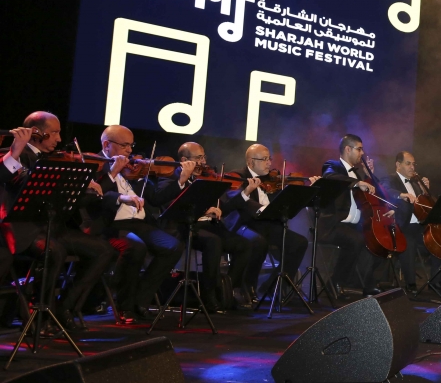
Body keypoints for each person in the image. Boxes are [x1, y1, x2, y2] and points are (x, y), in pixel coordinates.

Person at [0, 113, 116, 331]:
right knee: (55, 252)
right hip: (23, 228)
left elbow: (65, 200)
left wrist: (84, 187)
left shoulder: (53, 159)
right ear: (37, 133)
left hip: (51, 226)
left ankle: (65, 307)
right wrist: (15, 150)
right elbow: (6, 177)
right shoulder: (15, 154)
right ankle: (38, 315)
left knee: (103, 250)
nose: (59, 139)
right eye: (54, 132)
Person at [96, 125, 185, 323]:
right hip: (113, 225)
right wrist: (113, 172)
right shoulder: (96, 165)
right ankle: (124, 305)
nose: (130, 150)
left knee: (173, 246)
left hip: (138, 223)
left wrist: (180, 180)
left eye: (131, 145)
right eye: (125, 145)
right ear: (107, 145)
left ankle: (140, 300)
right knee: (136, 247)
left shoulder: (133, 169)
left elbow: (156, 198)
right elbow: (96, 198)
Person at [156, 142, 253, 310]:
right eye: (198, 158)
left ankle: (226, 290)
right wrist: (202, 208)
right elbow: (168, 205)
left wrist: (245, 193)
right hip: (185, 227)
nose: (203, 162)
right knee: (213, 242)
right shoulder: (170, 178)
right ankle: (209, 296)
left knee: (244, 245)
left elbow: (223, 209)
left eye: (204, 157)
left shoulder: (204, 178)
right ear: (184, 160)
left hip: (209, 226)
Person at [220, 143, 307, 300]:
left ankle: (273, 288)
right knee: (259, 242)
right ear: (251, 162)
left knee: (299, 242)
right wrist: (260, 207)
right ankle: (247, 287)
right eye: (264, 159)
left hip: (268, 225)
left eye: (269, 159)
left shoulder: (272, 179)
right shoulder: (237, 176)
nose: (269, 163)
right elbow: (236, 199)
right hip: (245, 224)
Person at [319, 134, 384, 297]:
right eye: (359, 149)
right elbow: (329, 177)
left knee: (377, 240)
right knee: (357, 240)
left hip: (353, 225)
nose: (362, 153)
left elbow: (374, 194)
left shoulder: (357, 174)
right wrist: (357, 182)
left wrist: (369, 176)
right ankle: (335, 283)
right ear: (348, 149)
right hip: (334, 225)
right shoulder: (333, 165)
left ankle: (363, 283)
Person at [387, 151, 439, 293]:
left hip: (419, 226)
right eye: (408, 164)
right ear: (398, 165)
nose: (412, 167)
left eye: (413, 164)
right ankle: (410, 284)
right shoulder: (391, 178)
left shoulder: (416, 183)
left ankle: (436, 283)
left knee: (439, 241)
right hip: (402, 226)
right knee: (408, 242)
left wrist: (424, 191)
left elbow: (426, 206)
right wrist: (401, 194)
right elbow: (385, 190)